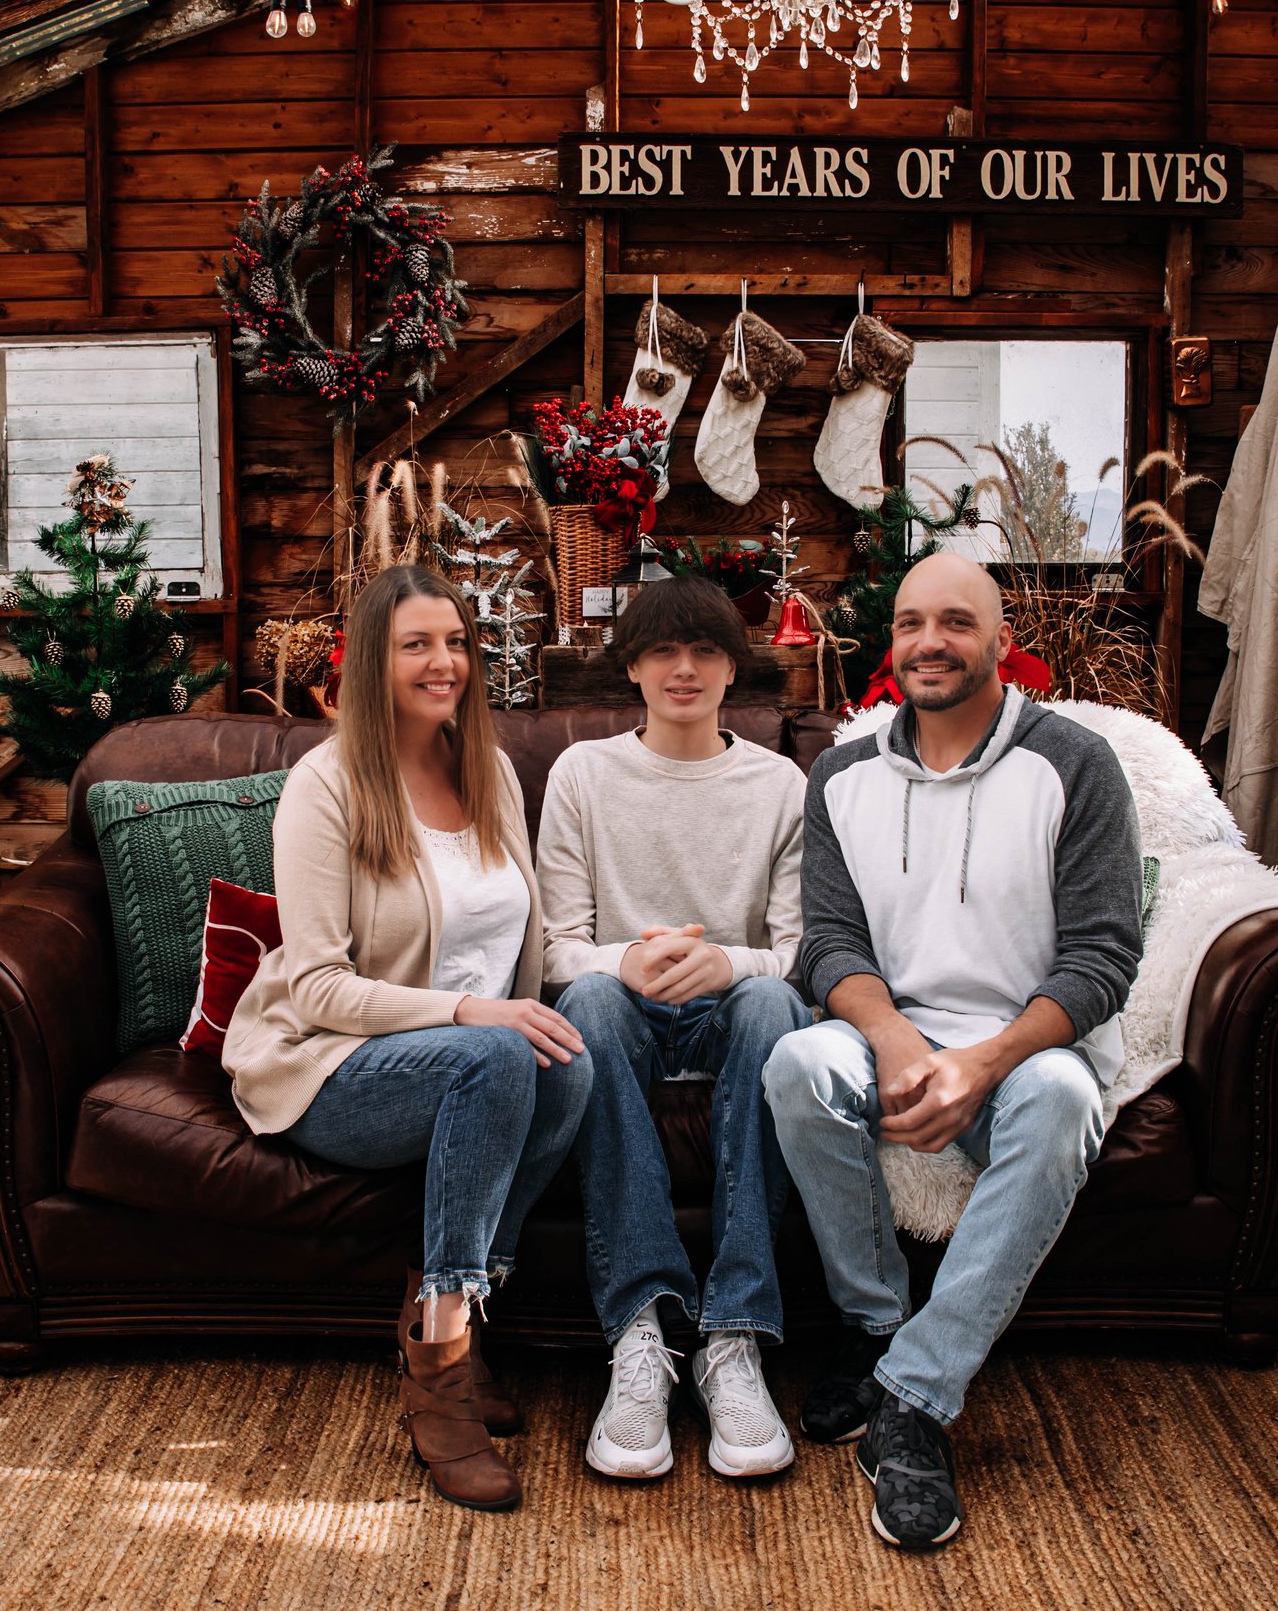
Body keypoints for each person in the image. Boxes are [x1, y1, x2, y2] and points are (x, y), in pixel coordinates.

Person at [763, 551, 1142, 1552]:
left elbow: (1105, 955)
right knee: (799, 1067)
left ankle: (915, 1393)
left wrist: (986, 1062)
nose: (930, 641)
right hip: (893, 1029)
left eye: (957, 622)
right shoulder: (842, 773)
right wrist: (891, 1037)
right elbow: (828, 944)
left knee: (1063, 1101)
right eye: (911, 623)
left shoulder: (1074, 764)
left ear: (1001, 643)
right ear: (891, 644)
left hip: (1026, 1043)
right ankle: (877, 1320)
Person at [222, 563, 592, 1514]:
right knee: (502, 1051)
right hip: (330, 1063)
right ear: (372, 663)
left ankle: (450, 1311)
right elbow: (317, 985)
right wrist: (471, 1014)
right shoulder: (327, 784)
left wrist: (568, 993)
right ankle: (441, 1368)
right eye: (416, 644)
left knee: (568, 1061)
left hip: (474, 1062)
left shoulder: (489, 771)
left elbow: (526, 950)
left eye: (457, 642)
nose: (444, 663)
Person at [537, 575, 810, 1483]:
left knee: (775, 1007)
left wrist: (729, 963)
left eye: (704, 651)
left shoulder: (780, 784)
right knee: (587, 1002)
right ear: (633, 668)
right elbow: (555, 947)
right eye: (662, 650)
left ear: (733, 669)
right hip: (623, 1010)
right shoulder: (583, 773)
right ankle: (640, 1330)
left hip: (732, 1011)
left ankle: (734, 1335)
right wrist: (625, 961)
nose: (683, 668)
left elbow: (801, 954)